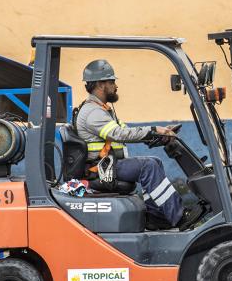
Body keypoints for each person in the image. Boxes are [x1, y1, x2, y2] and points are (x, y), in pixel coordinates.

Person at [75, 59, 201, 230]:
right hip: (101, 170)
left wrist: (157, 134)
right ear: (100, 84)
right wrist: (153, 129)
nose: (115, 86)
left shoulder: (101, 109)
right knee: (147, 166)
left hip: (108, 166)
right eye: (112, 82)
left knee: (154, 161)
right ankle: (179, 217)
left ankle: (156, 216)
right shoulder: (93, 112)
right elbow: (120, 134)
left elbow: (127, 130)